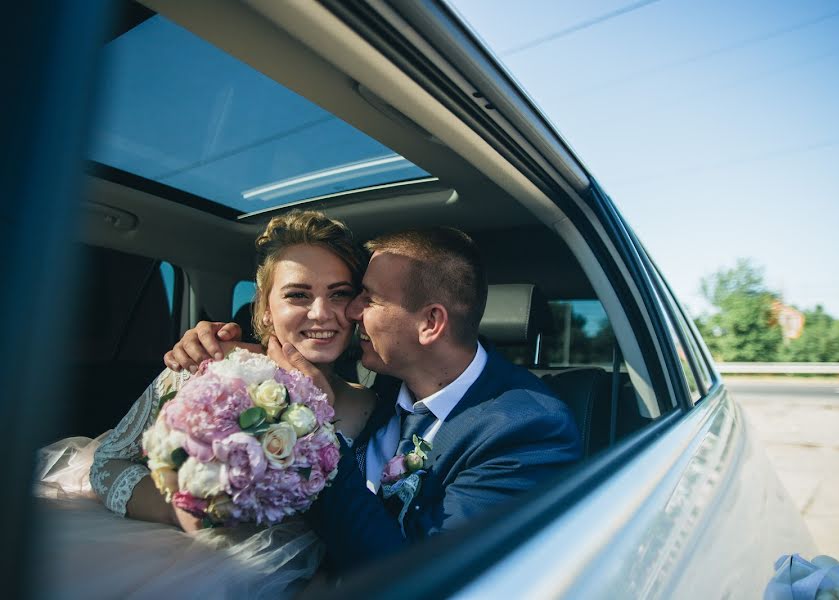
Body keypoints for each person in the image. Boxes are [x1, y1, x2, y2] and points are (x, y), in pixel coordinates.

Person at [169, 226, 583, 575]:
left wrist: (311, 422)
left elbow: (414, 576)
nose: (348, 312)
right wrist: (218, 349)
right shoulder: (379, 379)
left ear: (430, 323)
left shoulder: (527, 430)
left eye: (368, 298)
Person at [34, 210, 374, 597]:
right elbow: (108, 462)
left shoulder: (373, 407)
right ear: (265, 308)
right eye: (298, 294)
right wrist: (178, 511)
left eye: (339, 293)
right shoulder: (207, 367)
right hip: (161, 552)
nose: (321, 313)